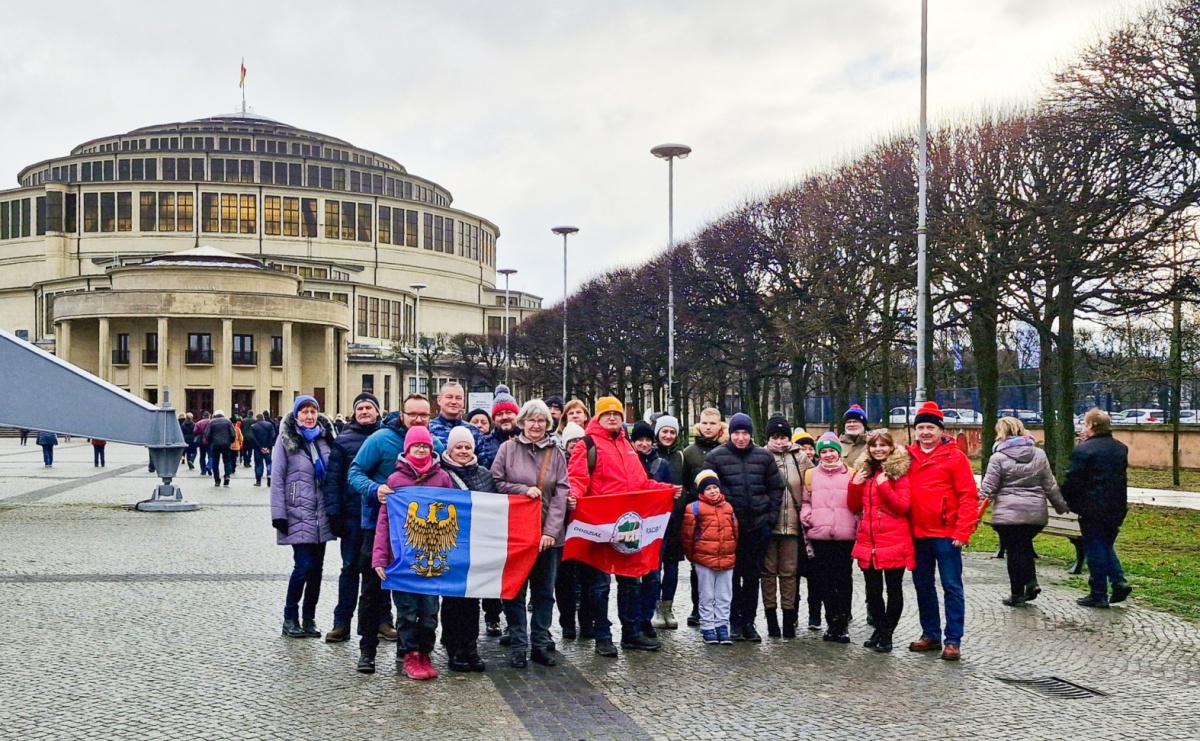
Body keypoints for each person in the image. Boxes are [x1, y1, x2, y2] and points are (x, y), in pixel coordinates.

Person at [567, 396, 678, 656]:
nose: (613, 418)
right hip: (600, 526)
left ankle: (630, 633)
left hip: (627, 525)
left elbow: (641, 483)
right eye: (608, 414)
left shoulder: (627, 446)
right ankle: (602, 636)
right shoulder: (587, 444)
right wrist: (573, 496)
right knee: (599, 585)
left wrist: (665, 490)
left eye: (617, 413)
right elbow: (577, 479)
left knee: (630, 581)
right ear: (598, 417)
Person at [348, 395, 431, 672]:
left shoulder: (434, 444)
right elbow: (355, 473)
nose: (418, 419)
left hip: (419, 535)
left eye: (424, 415)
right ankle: (367, 650)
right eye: (413, 414)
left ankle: (408, 651)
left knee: (415, 595)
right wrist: (374, 489)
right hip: (377, 528)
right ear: (402, 414)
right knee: (372, 591)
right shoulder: (380, 439)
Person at [491, 399, 568, 668]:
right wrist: (522, 491)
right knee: (514, 591)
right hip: (515, 534)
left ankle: (540, 643)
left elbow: (561, 493)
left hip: (549, 537)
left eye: (541, 421)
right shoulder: (507, 449)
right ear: (522, 422)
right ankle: (518, 645)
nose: (536, 425)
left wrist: (551, 531)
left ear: (548, 424)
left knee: (544, 593)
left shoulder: (556, 453)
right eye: (531, 420)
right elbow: (497, 482)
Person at [372, 425, 452, 680]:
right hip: (403, 560)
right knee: (407, 613)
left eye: (425, 445)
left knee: (429, 612)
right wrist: (380, 557)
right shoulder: (395, 480)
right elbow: (384, 522)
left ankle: (426, 652)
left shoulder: (442, 478)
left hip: (432, 559)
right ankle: (409, 654)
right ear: (407, 449)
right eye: (416, 445)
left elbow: (455, 515)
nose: (421, 449)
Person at [906, 401, 979, 662]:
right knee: (923, 585)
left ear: (940, 430)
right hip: (917, 532)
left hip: (947, 532)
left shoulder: (955, 456)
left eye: (930, 427)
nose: (925, 432)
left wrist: (963, 530)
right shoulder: (906, 456)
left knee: (951, 585)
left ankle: (953, 640)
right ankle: (931, 633)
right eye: (921, 427)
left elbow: (968, 496)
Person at [704, 412, 783, 642]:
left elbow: (776, 488)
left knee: (752, 577)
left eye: (745, 433)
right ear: (730, 434)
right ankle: (733, 621)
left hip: (758, 526)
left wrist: (770, 518)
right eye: (736, 433)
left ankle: (748, 622)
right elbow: (707, 490)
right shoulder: (716, 457)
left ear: (751, 434)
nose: (740, 438)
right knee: (731, 577)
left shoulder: (764, 457)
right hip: (728, 529)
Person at [980, 417, 1069, 607]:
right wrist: (1060, 506)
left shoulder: (998, 457)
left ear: (1001, 433)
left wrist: (975, 511)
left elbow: (988, 488)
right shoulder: (1039, 454)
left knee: (1014, 552)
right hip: (1035, 514)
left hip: (1008, 515)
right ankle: (1031, 582)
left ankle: (1017, 594)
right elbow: (1050, 484)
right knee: (1023, 544)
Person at [270, 395, 336, 640]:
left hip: (321, 514)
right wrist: (278, 514)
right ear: (296, 415)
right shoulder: (286, 441)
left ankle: (309, 618)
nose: (309, 416)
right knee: (303, 566)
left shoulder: (326, 439)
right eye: (304, 412)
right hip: (297, 512)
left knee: (317, 570)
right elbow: (277, 478)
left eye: (313, 411)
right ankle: (290, 618)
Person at [321, 393, 383, 645]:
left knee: (381, 569)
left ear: (378, 411)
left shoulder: (386, 438)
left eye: (369, 407)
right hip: (352, 514)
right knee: (349, 569)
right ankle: (341, 622)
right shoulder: (343, 440)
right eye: (360, 408)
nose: (365, 411)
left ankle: (383, 620)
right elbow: (333, 479)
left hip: (380, 516)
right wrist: (333, 512)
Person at [848, 429, 914, 653]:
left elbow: (903, 506)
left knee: (893, 590)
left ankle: (887, 634)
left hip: (894, 539)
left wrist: (884, 486)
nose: (878, 449)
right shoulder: (864, 471)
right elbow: (854, 506)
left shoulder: (898, 472)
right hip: (869, 540)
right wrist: (855, 485)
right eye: (874, 445)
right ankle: (879, 629)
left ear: (891, 447)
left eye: (883, 445)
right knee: (872, 591)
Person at [1061, 408, 1131, 609]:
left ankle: (1099, 592)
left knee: (1095, 548)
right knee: (1105, 545)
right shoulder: (1120, 448)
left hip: (1092, 507)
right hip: (1116, 505)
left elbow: (1073, 480)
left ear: (1091, 425)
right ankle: (1118, 582)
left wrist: (1068, 501)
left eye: (1085, 423)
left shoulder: (1083, 450)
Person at [439, 425, 494, 672]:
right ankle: (454, 647)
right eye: (458, 447)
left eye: (467, 447)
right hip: (451, 545)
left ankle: (471, 646)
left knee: (473, 600)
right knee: (452, 600)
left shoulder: (484, 474)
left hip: (477, 545)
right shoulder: (440, 474)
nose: (462, 451)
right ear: (450, 449)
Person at [801, 432, 857, 644]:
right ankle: (830, 621)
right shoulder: (811, 475)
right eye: (823, 451)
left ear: (839, 452)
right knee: (824, 581)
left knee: (843, 580)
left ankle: (842, 623)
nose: (828, 455)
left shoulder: (851, 474)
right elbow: (805, 500)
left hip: (845, 535)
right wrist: (808, 516)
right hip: (821, 535)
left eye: (832, 450)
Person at [761, 415, 809, 639]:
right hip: (768, 525)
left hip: (792, 526)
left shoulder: (801, 458)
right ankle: (771, 620)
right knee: (768, 573)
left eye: (783, 436)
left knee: (790, 573)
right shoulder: (760, 456)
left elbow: (811, 488)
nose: (779, 441)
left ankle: (789, 619)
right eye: (775, 436)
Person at [681, 407, 727, 626]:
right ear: (698, 425)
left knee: (724, 567)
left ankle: (722, 609)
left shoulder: (727, 449)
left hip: (723, 517)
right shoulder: (689, 452)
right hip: (698, 516)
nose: (708, 427)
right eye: (705, 423)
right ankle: (697, 608)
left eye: (713, 423)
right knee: (698, 567)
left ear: (720, 426)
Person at [682, 469, 739, 645]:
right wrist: (693, 556)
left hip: (726, 557)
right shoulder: (694, 508)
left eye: (715, 487)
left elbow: (735, 532)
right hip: (704, 558)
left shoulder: (728, 507)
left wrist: (730, 550)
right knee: (706, 595)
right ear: (701, 491)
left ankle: (722, 626)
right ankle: (707, 626)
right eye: (708, 488)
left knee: (724, 595)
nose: (713, 491)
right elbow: (687, 536)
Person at [629, 420, 673, 638]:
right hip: (631, 528)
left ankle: (645, 618)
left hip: (655, 531)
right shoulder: (627, 463)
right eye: (640, 440)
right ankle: (633, 620)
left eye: (648, 440)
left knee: (653, 576)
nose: (644, 444)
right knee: (631, 579)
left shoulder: (662, 465)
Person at [554, 421, 594, 640]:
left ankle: (587, 622)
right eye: (572, 441)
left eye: (580, 441)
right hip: (564, 529)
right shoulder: (558, 464)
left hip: (588, 529)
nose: (576, 445)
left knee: (588, 579)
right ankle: (567, 622)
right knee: (564, 580)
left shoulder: (593, 465)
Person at [651, 414, 686, 631]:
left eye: (672, 432)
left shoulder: (681, 457)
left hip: (675, 520)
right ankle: (655, 607)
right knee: (655, 567)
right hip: (655, 520)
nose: (668, 435)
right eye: (664, 431)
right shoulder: (651, 455)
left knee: (672, 567)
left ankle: (668, 607)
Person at [790, 426, 821, 630]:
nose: (807, 451)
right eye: (802, 447)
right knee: (792, 574)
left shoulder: (820, 471)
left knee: (815, 576)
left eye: (810, 447)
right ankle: (792, 614)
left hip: (814, 527)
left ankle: (815, 615)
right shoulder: (792, 467)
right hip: (794, 526)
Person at [428, 381, 487, 466]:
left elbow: (483, 465)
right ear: (439, 400)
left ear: (463, 402)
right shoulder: (429, 430)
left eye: (458, 398)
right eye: (449, 397)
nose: (453, 402)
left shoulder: (474, 431)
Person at [477, 384, 520, 473]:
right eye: (499, 414)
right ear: (493, 420)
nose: (504, 417)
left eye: (508, 412)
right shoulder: (484, 443)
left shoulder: (528, 439)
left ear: (517, 416)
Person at [204, 410, 237, 487]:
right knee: (227, 461)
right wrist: (231, 441)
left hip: (215, 444)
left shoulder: (211, 422)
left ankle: (217, 480)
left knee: (215, 462)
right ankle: (227, 476)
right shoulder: (228, 422)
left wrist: (210, 442)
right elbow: (233, 433)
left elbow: (207, 434)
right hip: (226, 444)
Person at [251, 412, 278, 487]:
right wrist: (268, 446)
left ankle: (258, 480)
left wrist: (260, 447)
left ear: (257, 418)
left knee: (258, 464)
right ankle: (269, 475)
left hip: (258, 448)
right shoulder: (269, 425)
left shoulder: (254, 426)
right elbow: (273, 435)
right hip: (268, 448)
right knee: (269, 462)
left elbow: (253, 438)